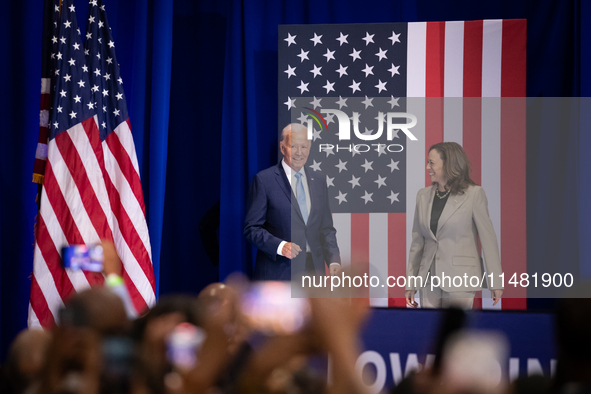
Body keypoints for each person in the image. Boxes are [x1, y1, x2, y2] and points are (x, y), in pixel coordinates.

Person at [405, 142, 503, 309]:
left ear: (448, 164)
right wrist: (411, 283)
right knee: (430, 330)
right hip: (428, 280)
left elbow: (488, 240)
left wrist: (496, 282)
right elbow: (417, 244)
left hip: (461, 278)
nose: (427, 167)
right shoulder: (422, 195)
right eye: (428, 162)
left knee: (456, 332)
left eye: (432, 162)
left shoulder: (474, 194)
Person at [244, 123, 341, 280]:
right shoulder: (263, 180)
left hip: (314, 273)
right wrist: (281, 246)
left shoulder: (319, 180)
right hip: (279, 273)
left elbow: (326, 228)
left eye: (304, 147)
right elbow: (252, 228)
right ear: (283, 148)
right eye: (293, 146)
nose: (299, 152)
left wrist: (334, 261)